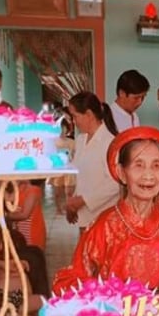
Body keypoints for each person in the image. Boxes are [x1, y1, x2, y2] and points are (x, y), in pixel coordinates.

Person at [53, 126, 159, 291]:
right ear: (122, 173)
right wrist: (106, 290)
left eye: (156, 166)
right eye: (138, 165)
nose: (149, 175)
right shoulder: (104, 227)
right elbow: (70, 281)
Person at [65, 91, 120, 232]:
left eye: (75, 116)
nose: (73, 121)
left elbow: (116, 183)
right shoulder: (81, 140)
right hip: (84, 217)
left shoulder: (110, 143)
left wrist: (83, 201)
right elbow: (82, 177)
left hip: (104, 217)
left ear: (89, 114)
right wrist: (73, 205)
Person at [5, 180, 47, 250]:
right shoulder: (18, 189)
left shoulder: (33, 190)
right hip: (21, 231)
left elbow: (24, 215)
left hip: (32, 231)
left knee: (32, 254)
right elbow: (8, 198)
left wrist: (5, 216)